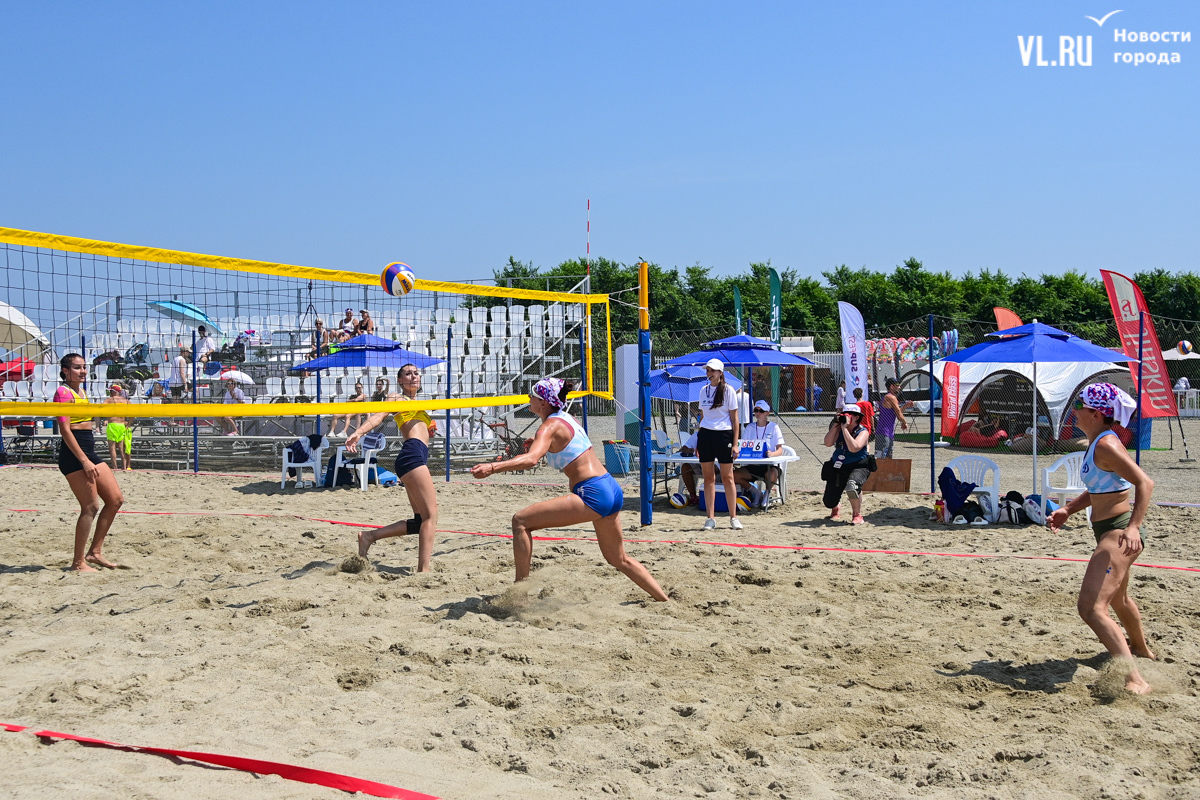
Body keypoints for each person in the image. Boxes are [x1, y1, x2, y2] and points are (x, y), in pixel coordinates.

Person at [470, 377, 668, 601]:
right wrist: (537, 442)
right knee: (619, 559)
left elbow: (532, 459)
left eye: (532, 395)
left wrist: (492, 467)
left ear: (543, 402)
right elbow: (565, 444)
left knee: (520, 521)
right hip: (610, 487)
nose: (528, 398)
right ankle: (663, 599)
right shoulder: (566, 418)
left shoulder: (547, 427)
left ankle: (519, 595)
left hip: (592, 492)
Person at [1048, 383, 1155, 695]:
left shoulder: (1106, 445)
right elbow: (1100, 487)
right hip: (1109, 529)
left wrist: (1134, 527)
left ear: (1096, 413)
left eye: (1078, 405)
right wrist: (1069, 509)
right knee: (1119, 600)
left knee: (1091, 608)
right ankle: (1140, 648)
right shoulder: (1098, 442)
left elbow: (1145, 483)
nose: (1074, 410)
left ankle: (1136, 679)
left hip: (1118, 532)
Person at [348, 363, 439, 572]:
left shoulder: (419, 403)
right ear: (399, 380)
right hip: (412, 455)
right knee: (431, 517)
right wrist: (359, 432)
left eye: (416, 373)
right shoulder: (396, 397)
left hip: (416, 455)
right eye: (408, 374)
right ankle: (424, 571)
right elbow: (378, 416)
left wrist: (427, 430)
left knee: (419, 522)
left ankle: (369, 536)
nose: (413, 376)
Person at [53, 353, 124, 571]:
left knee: (115, 500)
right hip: (74, 455)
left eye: (84, 367)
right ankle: (78, 563)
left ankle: (95, 553)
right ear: (65, 370)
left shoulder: (82, 391)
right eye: (77, 367)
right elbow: (65, 431)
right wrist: (84, 461)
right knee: (90, 506)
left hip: (88, 451)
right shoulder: (63, 393)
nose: (83, 371)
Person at [697, 358, 742, 530]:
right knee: (708, 478)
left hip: (724, 434)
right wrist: (698, 440)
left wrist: (735, 443)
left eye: (712, 370)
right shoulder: (703, 390)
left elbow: (735, 419)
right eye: (708, 370)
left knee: (728, 477)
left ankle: (733, 517)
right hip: (706, 434)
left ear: (720, 373)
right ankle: (710, 518)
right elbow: (703, 416)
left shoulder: (729, 390)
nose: (709, 373)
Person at [822, 404, 871, 524]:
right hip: (839, 464)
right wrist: (836, 425)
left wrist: (845, 429)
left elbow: (854, 448)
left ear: (857, 417)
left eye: (850, 415)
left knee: (852, 486)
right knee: (829, 501)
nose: (847, 418)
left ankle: (857, 515)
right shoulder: (838, 428)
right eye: (844, 415)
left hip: (858, 465)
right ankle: (835, 507)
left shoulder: (863, 431)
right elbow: (827, 443)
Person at [734, 400, 785, 507]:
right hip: (753, 465)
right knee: (733, 475)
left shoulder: (774, 427)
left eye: (761, 411)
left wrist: (772, 454)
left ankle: (767, 494)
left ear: (767, 413)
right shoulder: (750, 427)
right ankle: (756, 492)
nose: (758, 413)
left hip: (769, 465)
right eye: (756, 410)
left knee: (771, 474)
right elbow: (744, 446)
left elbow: (780, 450)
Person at [875, 379, 910, 460]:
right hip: (883, 432)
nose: (899, 387)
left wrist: (905, 406)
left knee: (888, 460)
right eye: (897, 385)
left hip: (889, 433)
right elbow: (899, 415)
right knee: (880, 459)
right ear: (892, 386)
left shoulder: (890, 397)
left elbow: (896, 413)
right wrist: (904, 422)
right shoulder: (891, 397)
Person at [104, 382, 133, 471]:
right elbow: (134, 413)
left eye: (111, 391)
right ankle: (124, 467)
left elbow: (100, 408)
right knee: (122, 448)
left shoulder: (109, 400)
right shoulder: (126, 401)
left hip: (112, 425)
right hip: (121, 425)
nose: (110, 393)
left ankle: (115, 467)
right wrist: (129, 424)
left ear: (114, 392)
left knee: (112, 448)